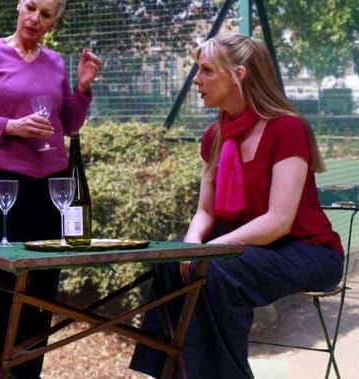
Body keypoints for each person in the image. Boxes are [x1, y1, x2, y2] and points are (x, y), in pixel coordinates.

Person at [130, 32, 344, 378]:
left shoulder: (287, 128)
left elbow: (279, 221)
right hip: (247, 250)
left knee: (212, 270)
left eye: (206, 70)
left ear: (238, 74)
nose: (196, 80)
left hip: (305, 251)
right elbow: (206, 211)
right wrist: (190, 247)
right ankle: (171, 372)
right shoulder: (215, 136)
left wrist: (209, 252)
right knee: (171, 263)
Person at [0, 0, 100, 379]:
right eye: (30, 8)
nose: (35, 18)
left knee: (42, 290)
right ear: (19, 5)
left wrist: (83, 88)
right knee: (3, 287)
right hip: (6, 180)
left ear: (55, 21)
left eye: (46, 14)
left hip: (53, 183)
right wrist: (10, 127)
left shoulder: (56, 62)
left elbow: (68, 124)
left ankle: (28, 374)